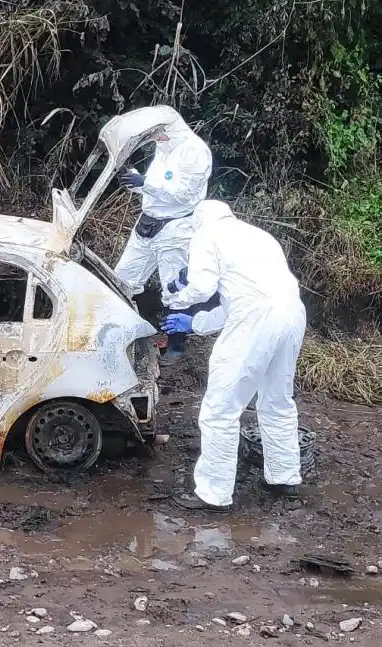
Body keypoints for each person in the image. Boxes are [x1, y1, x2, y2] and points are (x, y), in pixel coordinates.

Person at [161, 200, 306, 512]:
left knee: (220, 409)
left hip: (255, 319)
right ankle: (285, 477)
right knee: (277, 400)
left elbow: (201, 288)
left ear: (197, 222)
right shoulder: (258, 235)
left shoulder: (206, 235)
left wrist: (177, 298)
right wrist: (195, 324)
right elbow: (233, 302)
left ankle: (213, 493)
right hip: (292, 313)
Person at [113, 108, 213, 363]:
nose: (155, 139)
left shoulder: (195, 152)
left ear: (169, 130)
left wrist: (144, 183)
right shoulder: (163, 149)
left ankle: (177, 345)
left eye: (157, 134)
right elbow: (157, 188)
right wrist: (136, 181)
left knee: (174, 288)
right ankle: (123, 334)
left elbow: (183, 195)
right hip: (147, 224)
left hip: (175, 228)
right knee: (121, 279)